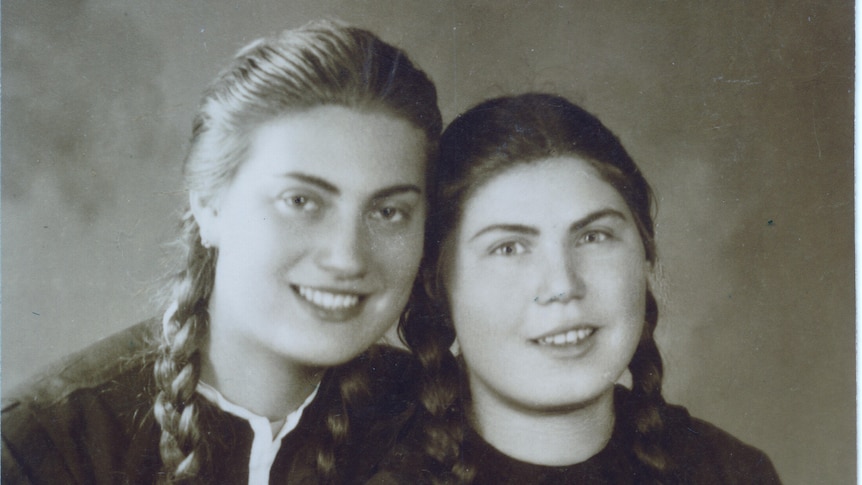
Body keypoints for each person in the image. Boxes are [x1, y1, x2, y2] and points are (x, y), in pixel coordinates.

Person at [2, 20, 441, 484]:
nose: (347, 257)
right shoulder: (42, 444)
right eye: (300, 201)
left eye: (388, 212)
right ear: (208, 204)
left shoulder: (442, 420)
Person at [375, 93, 781, 484]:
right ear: (437, 287)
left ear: (645, 254)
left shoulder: (733, 473)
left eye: (594, 237)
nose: (563, 285)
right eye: (509, 248)